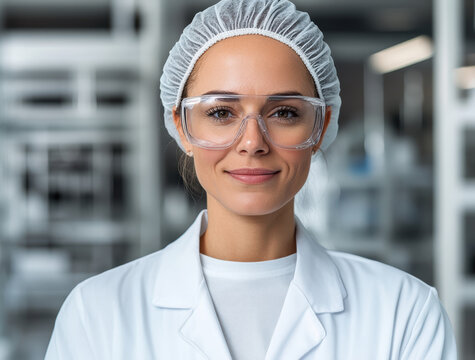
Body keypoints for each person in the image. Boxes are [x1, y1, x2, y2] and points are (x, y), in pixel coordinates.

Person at [44, 0, 457, 358]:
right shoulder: (97, 314)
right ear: (182, 126)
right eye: (222, 113)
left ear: (321, 125)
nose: (252, 142)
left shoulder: (403, 312)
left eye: (285, 113)